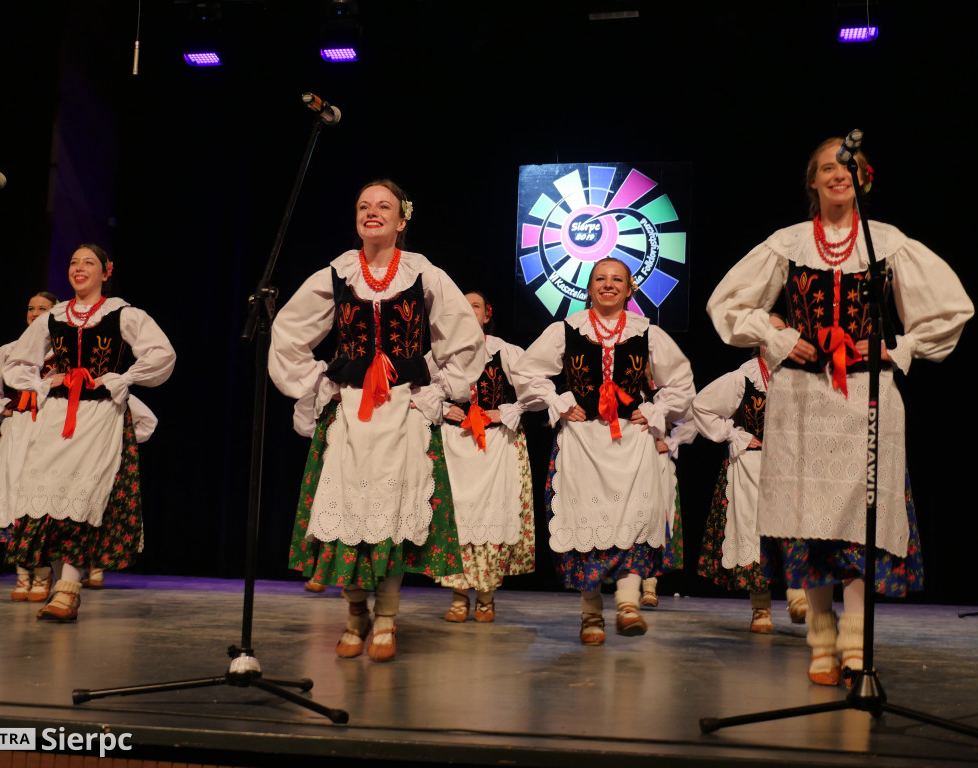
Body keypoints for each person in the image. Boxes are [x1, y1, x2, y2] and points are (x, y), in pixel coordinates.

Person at [706, 138, 972, 684]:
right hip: (802, 400)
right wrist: (777, 340)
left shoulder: (887, 243)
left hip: (866, 398)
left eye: (846, 166)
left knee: (859, 525)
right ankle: (820, 640)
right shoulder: (788, 243)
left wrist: (898, 348)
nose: (837, 174)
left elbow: (951, 308)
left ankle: (854, 642)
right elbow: (726, 303)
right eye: (827, 167)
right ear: (813, 181)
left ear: (862, 178)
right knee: (810, 523)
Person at [269, 180, 485, 662]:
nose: (372, 212)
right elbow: (288, 331)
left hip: (403, 409)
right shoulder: (338, 273)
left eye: (383, 206)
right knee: (348, 510)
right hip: (350, 410)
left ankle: (386, 617)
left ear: (402, 220)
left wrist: (437, 388)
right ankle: (353, 614)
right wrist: (317, 383)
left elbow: (465, 338)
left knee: (392, 512)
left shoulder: (423, 274)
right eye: (364, 205)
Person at [514, 257, 695, 644]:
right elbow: (527, 372)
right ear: (589, 286)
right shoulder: (566, 329)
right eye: (600, 278)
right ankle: (591, 613)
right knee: (586, 522)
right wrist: (559, 401)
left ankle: (628, 603)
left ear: (630, 289)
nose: (608, 285)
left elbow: (681, 382)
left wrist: (655, 409)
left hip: (631, 440)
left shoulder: (647, 332)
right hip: (583, 441)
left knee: (633, 516)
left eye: (617, 279)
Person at [0, 244, 176, 621]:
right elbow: (17, 361)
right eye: (73, 263)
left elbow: (161, 354)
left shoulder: (123, 314)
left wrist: (123, 377)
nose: (79, 269)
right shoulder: (55, 316)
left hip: (100, 414)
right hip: (58, 413)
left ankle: (68, 589)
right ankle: (54, 581)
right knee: (49, 495)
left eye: (89, 263)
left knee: (84, 495)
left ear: (106, 271)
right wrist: (46, 382)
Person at [692, 314, 808, 633]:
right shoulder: (743, 378)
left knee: (794, 530)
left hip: (793, 468)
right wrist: (736, 435)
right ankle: (761, 609)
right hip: (752, 466)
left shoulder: (803, 376)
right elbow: (702, 407)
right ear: (758, 340)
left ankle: (798, 596)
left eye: (783, 332)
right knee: (753, 533)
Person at [431, 291, 535, 623]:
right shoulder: (441, 354)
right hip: (456, 443)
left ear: (487, 314)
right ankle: (459, 593)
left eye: (474, 305)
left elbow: (534, 392)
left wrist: (505, 411)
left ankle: (486, 595)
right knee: (458, 518)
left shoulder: (505, 351)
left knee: (491, 516)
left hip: (495, 446)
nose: (466, 310)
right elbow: (420, 390)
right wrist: (447, 408)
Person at [0, 291, 58, 601]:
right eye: (31, 308)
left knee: (40, 499)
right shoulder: (10, 351)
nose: (35, 313)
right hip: (19, 428)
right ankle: (22, 573)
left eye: (43, 309)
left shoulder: (63, 353)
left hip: (50, 432)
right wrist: (0, 405)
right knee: (15, 494)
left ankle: (43, 572)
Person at [642, 415, 698, 609]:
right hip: (626, 458)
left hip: (658, 464)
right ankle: (628, 586)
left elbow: (694, 417)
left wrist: (671, 441)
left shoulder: (667, 393)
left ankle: (649, 584)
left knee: (655, 521)